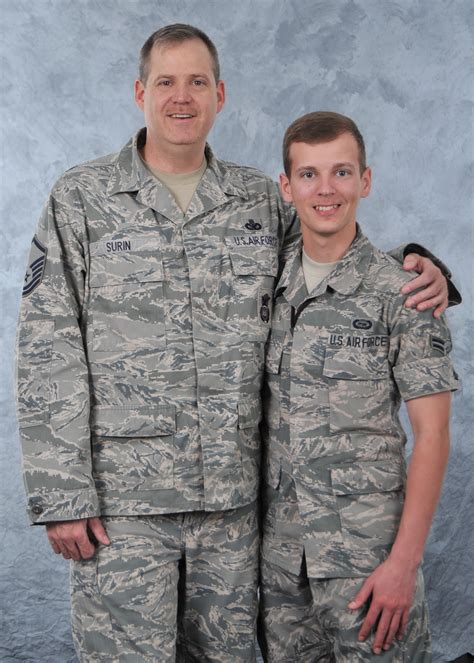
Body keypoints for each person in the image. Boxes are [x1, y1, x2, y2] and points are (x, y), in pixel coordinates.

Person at [16, 25, 454, 663]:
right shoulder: (81, 201)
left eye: (197, 81)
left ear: (219, 94)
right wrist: (62, 496)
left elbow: (329, 256)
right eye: (166, 81)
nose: (181, 96)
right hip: (125, 506)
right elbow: (46, 344)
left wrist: (418, 265)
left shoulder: (255, 201)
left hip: (233, 509)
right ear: (141, 92)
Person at [258, 111, 459, 662]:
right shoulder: (264, 289)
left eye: (342, 173)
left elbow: (434, 435)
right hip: (281, 571)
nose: (326, 190)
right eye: (309, 175)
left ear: (365, 181)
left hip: (369, 564)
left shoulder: (405, 294)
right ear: (287, 185)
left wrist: (403, 563)